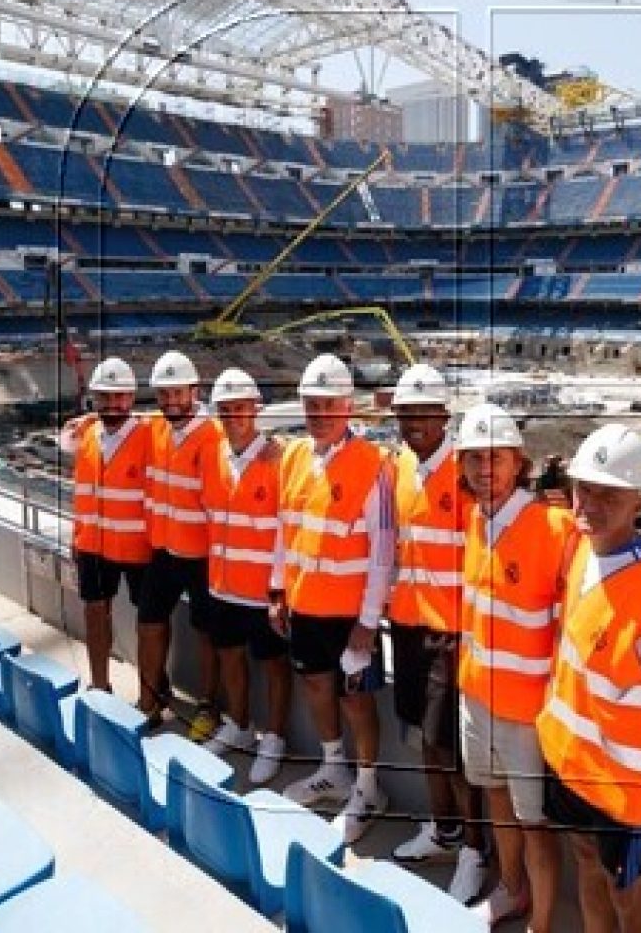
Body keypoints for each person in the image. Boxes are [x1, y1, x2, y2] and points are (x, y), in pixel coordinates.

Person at [536, 424, 641, 933]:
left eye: (608, 494)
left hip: (626, 793)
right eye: (584, 488)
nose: (589, 503)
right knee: (587, 867)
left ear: (638, 501)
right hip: (574, 768)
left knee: (631, 904)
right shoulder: (585, 551)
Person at [456, 402, 577, 933]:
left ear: (518, 463)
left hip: (528, 714)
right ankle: (511, 891)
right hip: (478, 700)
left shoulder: (553, 527)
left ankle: (541, 924)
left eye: (496, 459)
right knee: (498, 804)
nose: (485, 471)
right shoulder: (477, 522)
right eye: (474, 460)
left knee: (536, 826)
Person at [272, 353, 395, 845]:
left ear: (349, 407)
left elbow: (383, 552)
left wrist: (367, 624)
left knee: (357, 702)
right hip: (305, 608)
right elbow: (286, 530)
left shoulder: (373, 466)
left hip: (350, 617)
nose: (319, 413)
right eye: (311, 404)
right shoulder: (294, 457)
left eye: (329, 404)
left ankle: (368, 788)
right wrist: (278, 590)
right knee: (318, 689)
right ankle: (333, 770)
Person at [387, 363, 488, 904]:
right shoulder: (400, 465)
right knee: (426, 741)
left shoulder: (465, 472)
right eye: (405, 414)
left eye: (423, 414)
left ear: (443, 415)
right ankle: (445, 832)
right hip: (407, 624)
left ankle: (473, 849)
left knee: (449, 747)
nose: (412, 424)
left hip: (450, 635)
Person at [201, 368, 292, 784]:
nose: (234, 416)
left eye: (241, 408)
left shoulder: (278, 460)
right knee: (230, 658)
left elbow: (285, 529)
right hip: (223, 586)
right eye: (226, 410)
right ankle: (238, 725)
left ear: (255, 410)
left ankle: (273, 737)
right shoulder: (215, 456)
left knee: (274, 667)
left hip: (261, 592)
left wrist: (278, 588)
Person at [136, 349, 222, 735]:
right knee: (149, 623)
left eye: (178, 394)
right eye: (164, 395)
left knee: (208, 633)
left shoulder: (212, 436)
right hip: (164, 549)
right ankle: (149, 699)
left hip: (202, 555)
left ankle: (208, 706)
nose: (171, 402)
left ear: (194, 391)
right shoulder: (155, 427)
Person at [66, 357, 151, 693]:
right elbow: (82, 492)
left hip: (138, 546)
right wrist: (78, 535)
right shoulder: (86, 433)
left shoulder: (149, 433)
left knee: (150, 623)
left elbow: (189, 420)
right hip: (93, 545)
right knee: (95, 613)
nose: (113, 404)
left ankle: (154, 690)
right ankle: (100, 685)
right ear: (94, 398)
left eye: (119, 397)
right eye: (105, 397)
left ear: (131, 398)